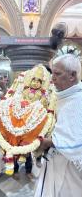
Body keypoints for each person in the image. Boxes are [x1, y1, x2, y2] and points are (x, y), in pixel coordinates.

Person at [34, 54, 82, 197]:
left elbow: (74, 139)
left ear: (72, 75)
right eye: (52, 73)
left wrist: (46, 142)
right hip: (52, 161)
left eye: (57, 74)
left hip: (70, 167)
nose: (52, 78)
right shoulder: (57, 96)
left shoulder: (78, 100)